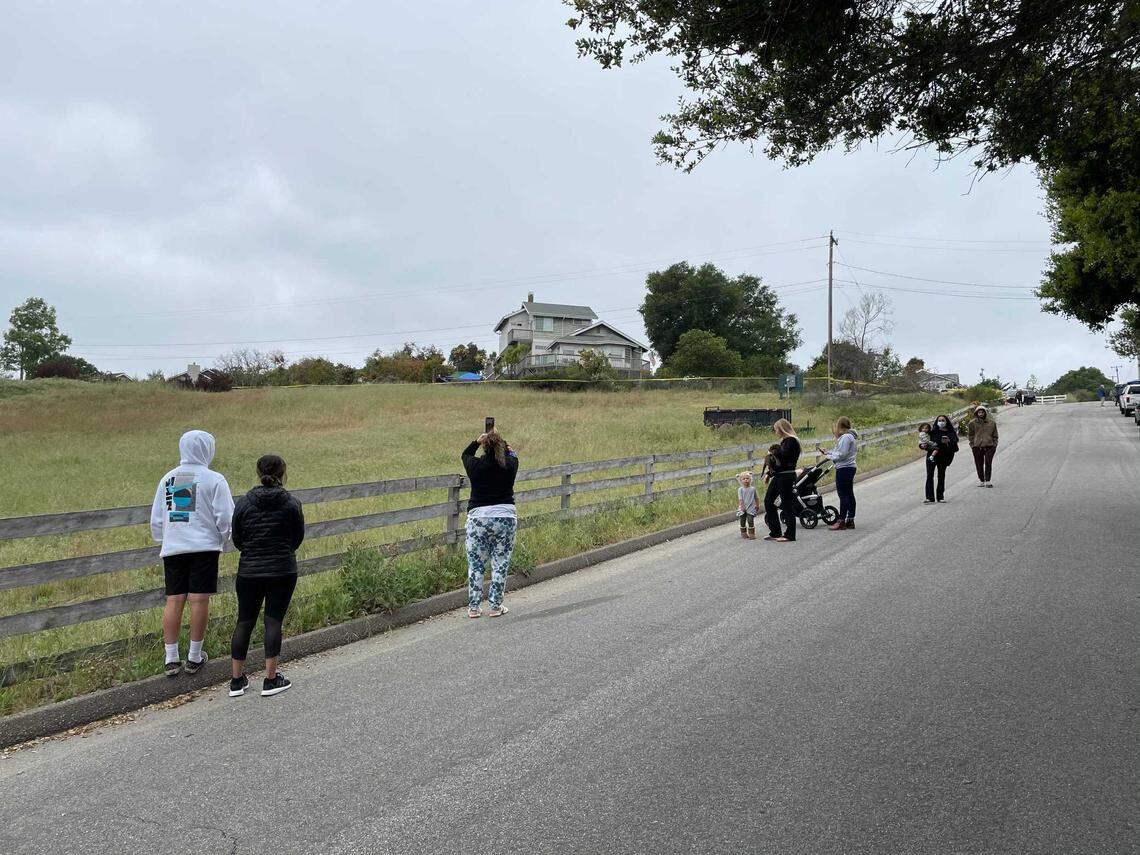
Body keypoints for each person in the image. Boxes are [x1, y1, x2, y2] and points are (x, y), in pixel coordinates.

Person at [150, 430, 235, 677]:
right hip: (204, 547)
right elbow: (226, 517)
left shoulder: (168, 479)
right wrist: (223, 536)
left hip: (174, 547)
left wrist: (164, 538)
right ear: (208, 449)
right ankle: (195, 656)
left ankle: (171, 657)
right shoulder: (214, 479)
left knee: (174, 599)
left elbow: (157, 516)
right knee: (199, 600)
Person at [229, 454, 305, 698]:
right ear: (283, 473)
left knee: (244, 621)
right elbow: (297, 537)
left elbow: (237, 537)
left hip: (250, 569)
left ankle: (236, 680)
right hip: (282, 568)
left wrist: (253, 552)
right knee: (273, 621)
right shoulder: (291, 503)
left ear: (258, 473)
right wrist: (283, 550)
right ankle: (271, 679)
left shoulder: (244, 503)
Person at [462, 429, 519, 617]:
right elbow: (513, 454)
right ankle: (495, 606)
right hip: (505, 518)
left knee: (476, 564)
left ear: (484, 447)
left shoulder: (475, 466)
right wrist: (503, 443)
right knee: (500, 563)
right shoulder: (510, 465)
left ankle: (474, 608)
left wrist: (477, 441)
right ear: (501, 447)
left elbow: (466, 454)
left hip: (478, 518)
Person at [763, 418, 801, 543]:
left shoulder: (791, 441)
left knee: (786, 504)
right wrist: (769, 473)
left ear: (781, 429)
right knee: (768, 501)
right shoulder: (785, 441)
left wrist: (773, 452)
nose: (775, 432)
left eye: (776, 429)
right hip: (779, 475)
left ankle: (790, 534)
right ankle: (775, 532)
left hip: (786, 476)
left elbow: (784, 459)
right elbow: (777, 463)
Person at [816, 416, 857, 530]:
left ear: (840, 426)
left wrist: (829, 456)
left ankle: (841, 521)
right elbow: (840, 452)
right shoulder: (851, 437)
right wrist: (828, 452)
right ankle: (850, 519)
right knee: (849, 494)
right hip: (850, 467)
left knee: (843, 494)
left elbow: (841, 455)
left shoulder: (845, 437)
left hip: (844, 468)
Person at [923, 415, 959, 504]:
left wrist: (949, 442)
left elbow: (955, 448)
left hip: (944, 457)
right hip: (932, 456)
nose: (941, 422)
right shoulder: (933, 432)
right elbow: (924, 442)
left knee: (941, 476)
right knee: (929, 475)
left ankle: (940, 496)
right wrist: (923, 446)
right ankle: (929, 497)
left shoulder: (951, 433)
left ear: (946, 422)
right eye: (939, 420)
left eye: (943, 420)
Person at [967, 405, 999, 487]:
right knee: (979, 463)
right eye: (979, 412)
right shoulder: (972, 423)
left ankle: (988, 480)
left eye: (982, 412)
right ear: (976, 413)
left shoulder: (992, 423)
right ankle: (981, 480)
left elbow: (995, 435)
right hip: (977, 447)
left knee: (988, 463)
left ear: (985, 413)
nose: (981, 414)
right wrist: (972, 444)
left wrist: (994, 445)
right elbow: (970, 435)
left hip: (989, 446)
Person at [736, 471, 759, 539]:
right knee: (742, 520)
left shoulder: (753, 489)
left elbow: (756, 498)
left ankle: (751, 534)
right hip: (743, 507)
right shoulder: (740, 489)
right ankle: (743, 533)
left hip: (751, 507)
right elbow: (740, 499)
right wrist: (742, 506)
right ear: (741, 481)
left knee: (750, 520)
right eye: (744, 479)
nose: (746, 480)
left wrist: (757, 505)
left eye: (747, 478)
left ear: (750, 479)